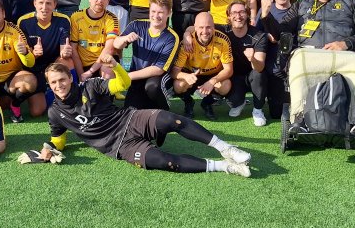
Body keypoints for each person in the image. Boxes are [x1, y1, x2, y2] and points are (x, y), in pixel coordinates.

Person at [35, 56, 252, 177]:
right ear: (50, 85)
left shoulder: (90, 86)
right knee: (165, 161)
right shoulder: (55, 112)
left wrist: (116, 67)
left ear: (69, 78)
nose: (59, 85)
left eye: (62, 80)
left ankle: (226, 148)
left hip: (128, 120)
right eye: (53, 83)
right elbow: (58, 139)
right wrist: (50, 149)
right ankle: (225, 166)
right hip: (118, 147)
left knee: (170, 120)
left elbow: (122, 84)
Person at [279, 0, 355, 133]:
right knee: (298, 59)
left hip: (343, 55)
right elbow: (282, 28)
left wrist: (346, 44)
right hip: (309, 55)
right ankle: (299, 119)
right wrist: (265, 13)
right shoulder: (301, 4)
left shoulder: (352, 3)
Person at [113, 0, 179, 111]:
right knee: (131, 111)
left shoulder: (172, 37)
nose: (156, 16)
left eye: (160, 12)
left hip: (157, 79)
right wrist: (124, 39)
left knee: (152, 87)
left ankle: (165, 107)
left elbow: (158, 69)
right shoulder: (136, 25)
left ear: (169, 13)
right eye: (153, 11)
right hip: (137, 79)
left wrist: (127, 76)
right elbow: (116, 44)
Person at [17, 0, 73, 118]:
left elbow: (63, 50)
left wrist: (66, 52)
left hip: (53, 66)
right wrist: (33, 52)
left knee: (67, 61)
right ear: (34, 4)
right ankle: (48, 92)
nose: (44, 7)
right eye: (41, 3)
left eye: (48, 3)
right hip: (34, 69)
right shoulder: (23, 21)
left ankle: (71, 99)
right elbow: (25, 55)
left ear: (55, 4)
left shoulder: (63, 20)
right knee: (36, 112)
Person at [171, 12, 233, 121]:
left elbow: (229, 70)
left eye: (208, 27)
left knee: (226, 86)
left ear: (214, 27)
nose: (205, 32)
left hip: (212, 75)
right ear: (195, 28)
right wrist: (185, 76)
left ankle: (207, 103)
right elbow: (174, 71)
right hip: (192, 74)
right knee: (178, 85)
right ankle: (188, 102)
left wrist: (212, 81)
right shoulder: (187, 43)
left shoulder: (223, 40)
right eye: (201, 27)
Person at [220, 0, 267, 126]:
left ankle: (257, 110)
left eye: (241, 12)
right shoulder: (223, 31)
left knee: (258, 74)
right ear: (229, 16)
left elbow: (260, 67)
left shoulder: (258, 35)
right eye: (234, 12)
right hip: (234, 76)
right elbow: (196, 26)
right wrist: (187, 33)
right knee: (232, 100)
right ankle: (239, 102)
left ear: (247, 14)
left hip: (252, 75)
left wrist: (252, 58)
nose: (238, 16)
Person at [259, 0, 294, 120]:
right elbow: (255, 34)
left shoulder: (299, 11)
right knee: (276, 113)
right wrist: (266, 35)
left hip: (293, 69)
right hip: (273, 70)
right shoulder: (265, 11)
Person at [70, 0, 120, 82]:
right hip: (82, 65)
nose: (100, 1)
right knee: (65, 62)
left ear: (108, 1)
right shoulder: (76, 17)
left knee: (108, 69)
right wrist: (81, 75)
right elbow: (74, 49)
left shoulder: (112, 19)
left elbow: (109, 50)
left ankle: (108, 95)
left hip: (102, 63)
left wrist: (90, 72)